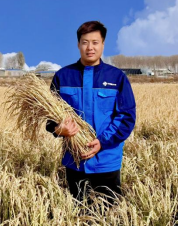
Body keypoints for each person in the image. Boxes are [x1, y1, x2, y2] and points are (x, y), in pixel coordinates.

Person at [47, 21, 136, 204]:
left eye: (95, 42)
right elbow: (49, 119)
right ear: (78, 44)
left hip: (106, 161)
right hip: (74, 162)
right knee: (78, 212)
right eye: (85, 42)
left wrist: (102, 142)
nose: (90, 48)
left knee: (108, 214)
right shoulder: (63, 76)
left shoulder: (116, 77)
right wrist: (59, 129)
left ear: (103, 44)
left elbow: (126, 117)